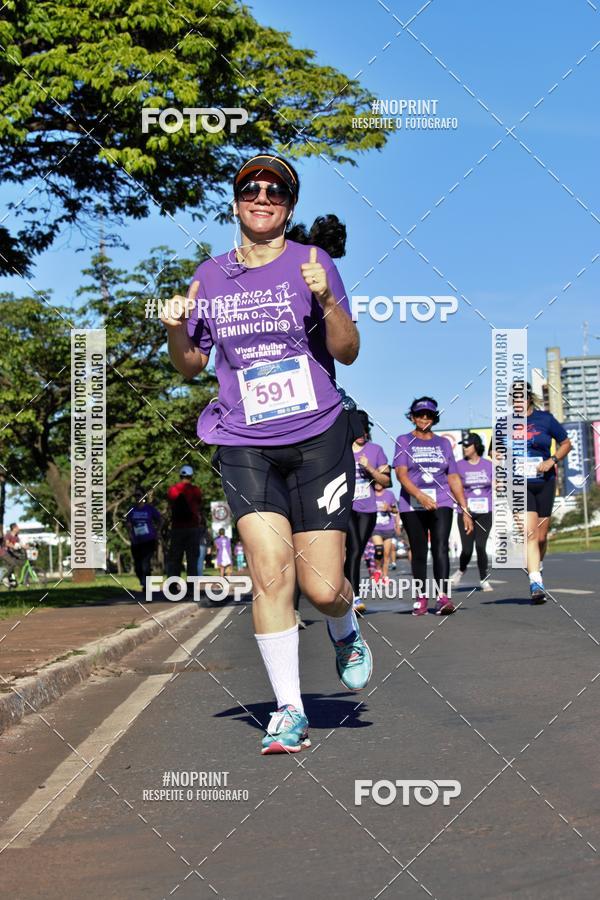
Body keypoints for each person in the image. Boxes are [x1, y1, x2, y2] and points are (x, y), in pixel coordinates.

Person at [161, 152, 372, 755]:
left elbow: (349, 350)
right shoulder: (209, 275)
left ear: (289, 205)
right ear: (235, 201)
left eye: (275, 190)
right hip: (243, 438)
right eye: (250, 187)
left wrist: (325, 298)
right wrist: (177, 328)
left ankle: (345, 628)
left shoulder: (313, 262)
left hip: (317, 436)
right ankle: (288, 710)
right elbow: (192, 364)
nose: (262, 196)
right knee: (269, 573)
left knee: (325, 587)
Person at [394, 397, 473, 616]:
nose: (424, 419)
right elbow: (401, 474)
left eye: (429, 415)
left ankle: (443, 598)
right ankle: (421, 598)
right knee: (419, 551)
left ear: (434, 418)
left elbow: (454, 477)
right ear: (412, 417)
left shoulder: (444, 443)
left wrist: (464, 508)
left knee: (440, 547)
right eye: (420, 415)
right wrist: (420, 495)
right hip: (412, 503)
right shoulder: (403, 440)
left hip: (442, 501)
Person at [519, 382, 571, 603]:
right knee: (529, 534)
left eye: (521, 397)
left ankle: (537, 564)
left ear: (529, 398)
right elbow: (495, 452)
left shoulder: (545, 419)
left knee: (540, 537)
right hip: (520, 485)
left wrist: (552, 460)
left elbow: (566, 443)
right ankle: (535, 582)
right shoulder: (504, 423)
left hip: (544, 481)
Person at [346, 410, 391, 614]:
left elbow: (387, 481)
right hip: (346, 508)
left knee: (357, 550)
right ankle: (354, 597)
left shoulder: (376, 450)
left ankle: (348, 590)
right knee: (354, 550)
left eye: (364, 428)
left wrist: (370, 469)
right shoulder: (342, 449)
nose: (361, 432)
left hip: (368, 508)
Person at [451, 433, 493, 592]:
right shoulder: (458, 465)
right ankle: (461, 570)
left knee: (481, 546)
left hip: (485, 512)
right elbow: (453, 487)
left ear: (476, 446)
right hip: (466, 512)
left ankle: (484, 580)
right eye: (463, 445)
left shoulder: (488, 465)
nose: (464, 448)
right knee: (467, 549)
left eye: (467, 445)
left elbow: (496, 482)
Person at [166, 465, 204, 579]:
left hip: (177, 527)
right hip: (192, 527)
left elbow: (170, 506)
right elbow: (199, 506)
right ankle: (191, 589)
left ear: (180, 475)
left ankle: (173, 588)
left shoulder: (172, 490)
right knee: (192, 560)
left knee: (175, 559)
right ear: (191, 476)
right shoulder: (195, 490)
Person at [126, 491, 161, 592]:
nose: (137, 498)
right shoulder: (131, 509)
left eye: (139, 496)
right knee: (138, 565)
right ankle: (142, 580)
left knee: (145, 563)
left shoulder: (149, 509)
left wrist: (157, 531)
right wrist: (129, 534)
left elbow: (160, 519)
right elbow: (128, 523)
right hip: (136, 541)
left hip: (149, 539)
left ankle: (146, 585)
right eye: (135, 496)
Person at [371, 481, 398, 585]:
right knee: (379, 550)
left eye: (380, 482)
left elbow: (395, 510)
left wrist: (389, 508)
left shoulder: (389, 494)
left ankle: (385, 576)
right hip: (375, 528)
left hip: (388, 528)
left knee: (386, 554)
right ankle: (378, 569)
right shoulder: (371, 493)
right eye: (376, 482)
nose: (378, 484)